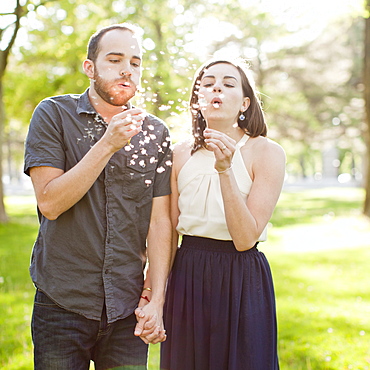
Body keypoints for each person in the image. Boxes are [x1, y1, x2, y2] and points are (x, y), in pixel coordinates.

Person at [24, 23, 172, 369]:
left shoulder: (155, 132)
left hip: (126, 306)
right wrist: (107, 143)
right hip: (61, 302)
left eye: (135, 62)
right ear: (90, 67)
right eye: (115, 59)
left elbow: (161, 222)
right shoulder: (53, 115)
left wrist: (158, 300)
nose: (127, 70)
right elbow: (49, 202)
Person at [160, 58, 285, 370]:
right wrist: (158, 293)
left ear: (244, 102)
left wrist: (225, 169)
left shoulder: (267, 153)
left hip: (240, 276)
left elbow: (245, 238)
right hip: (187, 273)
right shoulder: (178, 154)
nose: (217, 86)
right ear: (198, 100)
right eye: (208, 82)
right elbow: (166, 229)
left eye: (229, 83)